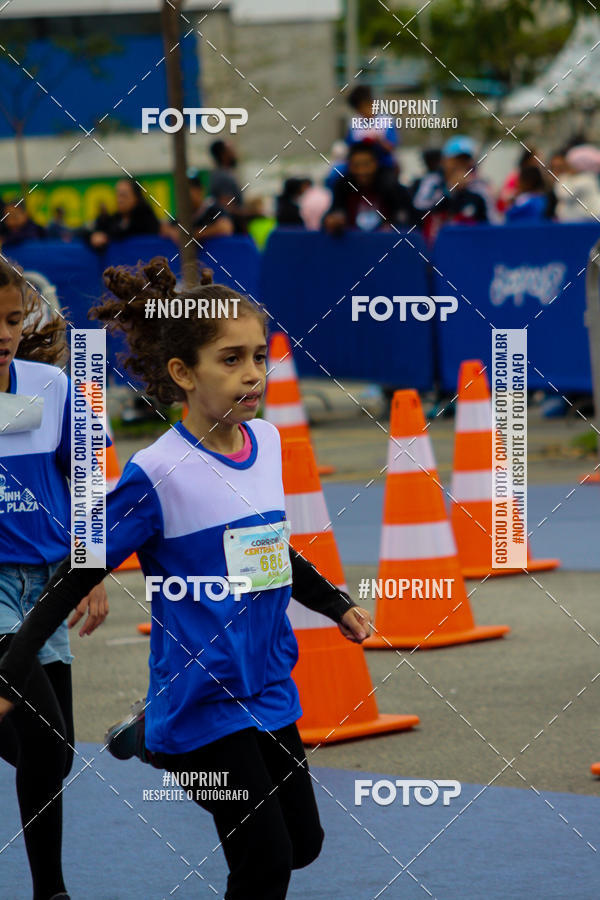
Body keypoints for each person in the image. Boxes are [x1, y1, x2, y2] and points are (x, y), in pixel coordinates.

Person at [0, 257, 372, 899]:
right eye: (231, 359)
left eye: (258, 356)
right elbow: (81, 568)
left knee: (303, 845)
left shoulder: (269, 446)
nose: (253, 372)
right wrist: (14, 660)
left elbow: (271, 551)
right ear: (182, 373)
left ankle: (142, 736)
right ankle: (162, 735)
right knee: (267, 859)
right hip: (200, 704)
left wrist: (336, 604)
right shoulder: (158, 473)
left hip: (266, 688)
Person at [0, 258, 108, 900]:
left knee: (55, 755)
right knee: (45, 742)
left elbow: (87, 479)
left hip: (48, 582)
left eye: (13, 319)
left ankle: (50, 891)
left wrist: (87, 570)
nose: (4, 332)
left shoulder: (52, 385)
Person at [323, 141, 415, 234]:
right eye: (356, 165)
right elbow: (331, 215)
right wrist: (331, 221)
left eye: (366, 164)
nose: (362, 171)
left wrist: (394, 226)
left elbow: (410, 220)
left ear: (376, 163)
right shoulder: (342, 187)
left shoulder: (393, 187)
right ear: (349, 166)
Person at [161, 170, 234, 244]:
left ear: (200, 190)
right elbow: (165, 227)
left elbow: (225, 227)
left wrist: (195, 235)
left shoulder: (212, 209)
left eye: (190, 188)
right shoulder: (184, 214)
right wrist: (173, 232)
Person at [87, 178, 160, 249]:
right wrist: (95, 235)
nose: (119, 200)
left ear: (136, 197)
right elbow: (88, 231)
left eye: (124, 195)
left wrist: (106, 236)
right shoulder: (116, 218)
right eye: (117, 195)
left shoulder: (146, 218)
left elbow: (126, 232)